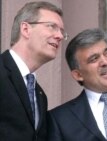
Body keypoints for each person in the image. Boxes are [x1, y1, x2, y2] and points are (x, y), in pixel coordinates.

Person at [0, 1, 67, 141]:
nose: (59, 36)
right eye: (52, 27)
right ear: (25, 29)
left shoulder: (40, 94)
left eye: (61, 31)